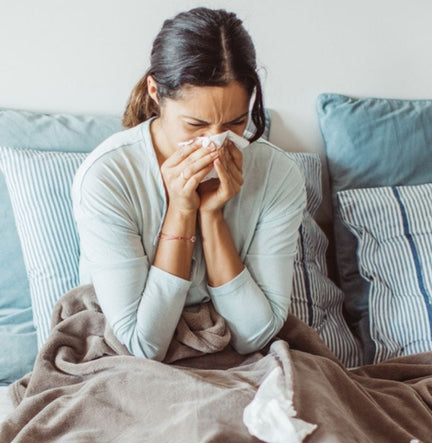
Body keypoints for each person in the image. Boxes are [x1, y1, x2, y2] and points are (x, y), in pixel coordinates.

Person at [72, 7, 305, 361]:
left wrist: (212, 218)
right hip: (129, 364)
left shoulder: (278, 174)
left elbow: (255, 335)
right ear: (154, 91)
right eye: (196, 125)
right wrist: (181, 210)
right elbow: (142, 346)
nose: (217, 141)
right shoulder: (108, 177)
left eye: (236, 122)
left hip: (240, 360)